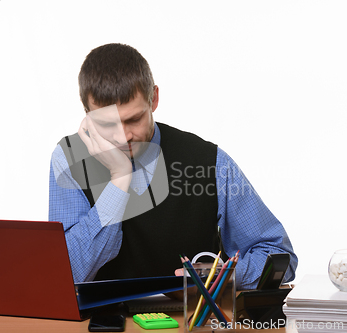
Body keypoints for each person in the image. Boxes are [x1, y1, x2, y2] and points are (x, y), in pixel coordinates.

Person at [49, 43, 297, 290]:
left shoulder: (209, 161)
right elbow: (63, 275)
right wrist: (119, 180)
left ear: (154, 99)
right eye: (106, 124)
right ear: (87, 116)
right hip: (103, 326)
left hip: (191, 323)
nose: (123, 137)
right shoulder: (68, 160)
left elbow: (280, 258)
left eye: (134, 119)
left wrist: (226, 276)